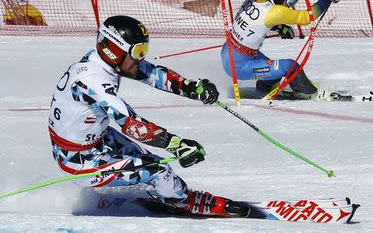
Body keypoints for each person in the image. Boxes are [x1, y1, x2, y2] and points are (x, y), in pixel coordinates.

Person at [48, 15, 246, 217]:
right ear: (114, 50)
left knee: (145, 159)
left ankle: (156, 193)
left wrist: (192, 89)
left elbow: (152, 74)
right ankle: (183, 201)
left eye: (144, 51)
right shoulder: (91, 81)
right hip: (79, 161)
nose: (141, 58)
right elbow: (131, 123)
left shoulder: (104, 62)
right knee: (157, 169)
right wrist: (177, 145)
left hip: (99, 140)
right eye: (138, 51)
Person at [221, 0, 344, 100]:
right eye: (291, 1)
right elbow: (307, 17)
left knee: (276, 72)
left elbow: (253, 22)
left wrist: (279, 27)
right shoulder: (274, 11)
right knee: (290, 67)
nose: (290, 6)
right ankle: (311, 94)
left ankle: (264, 89)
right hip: (239, 65)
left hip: (229, 52)